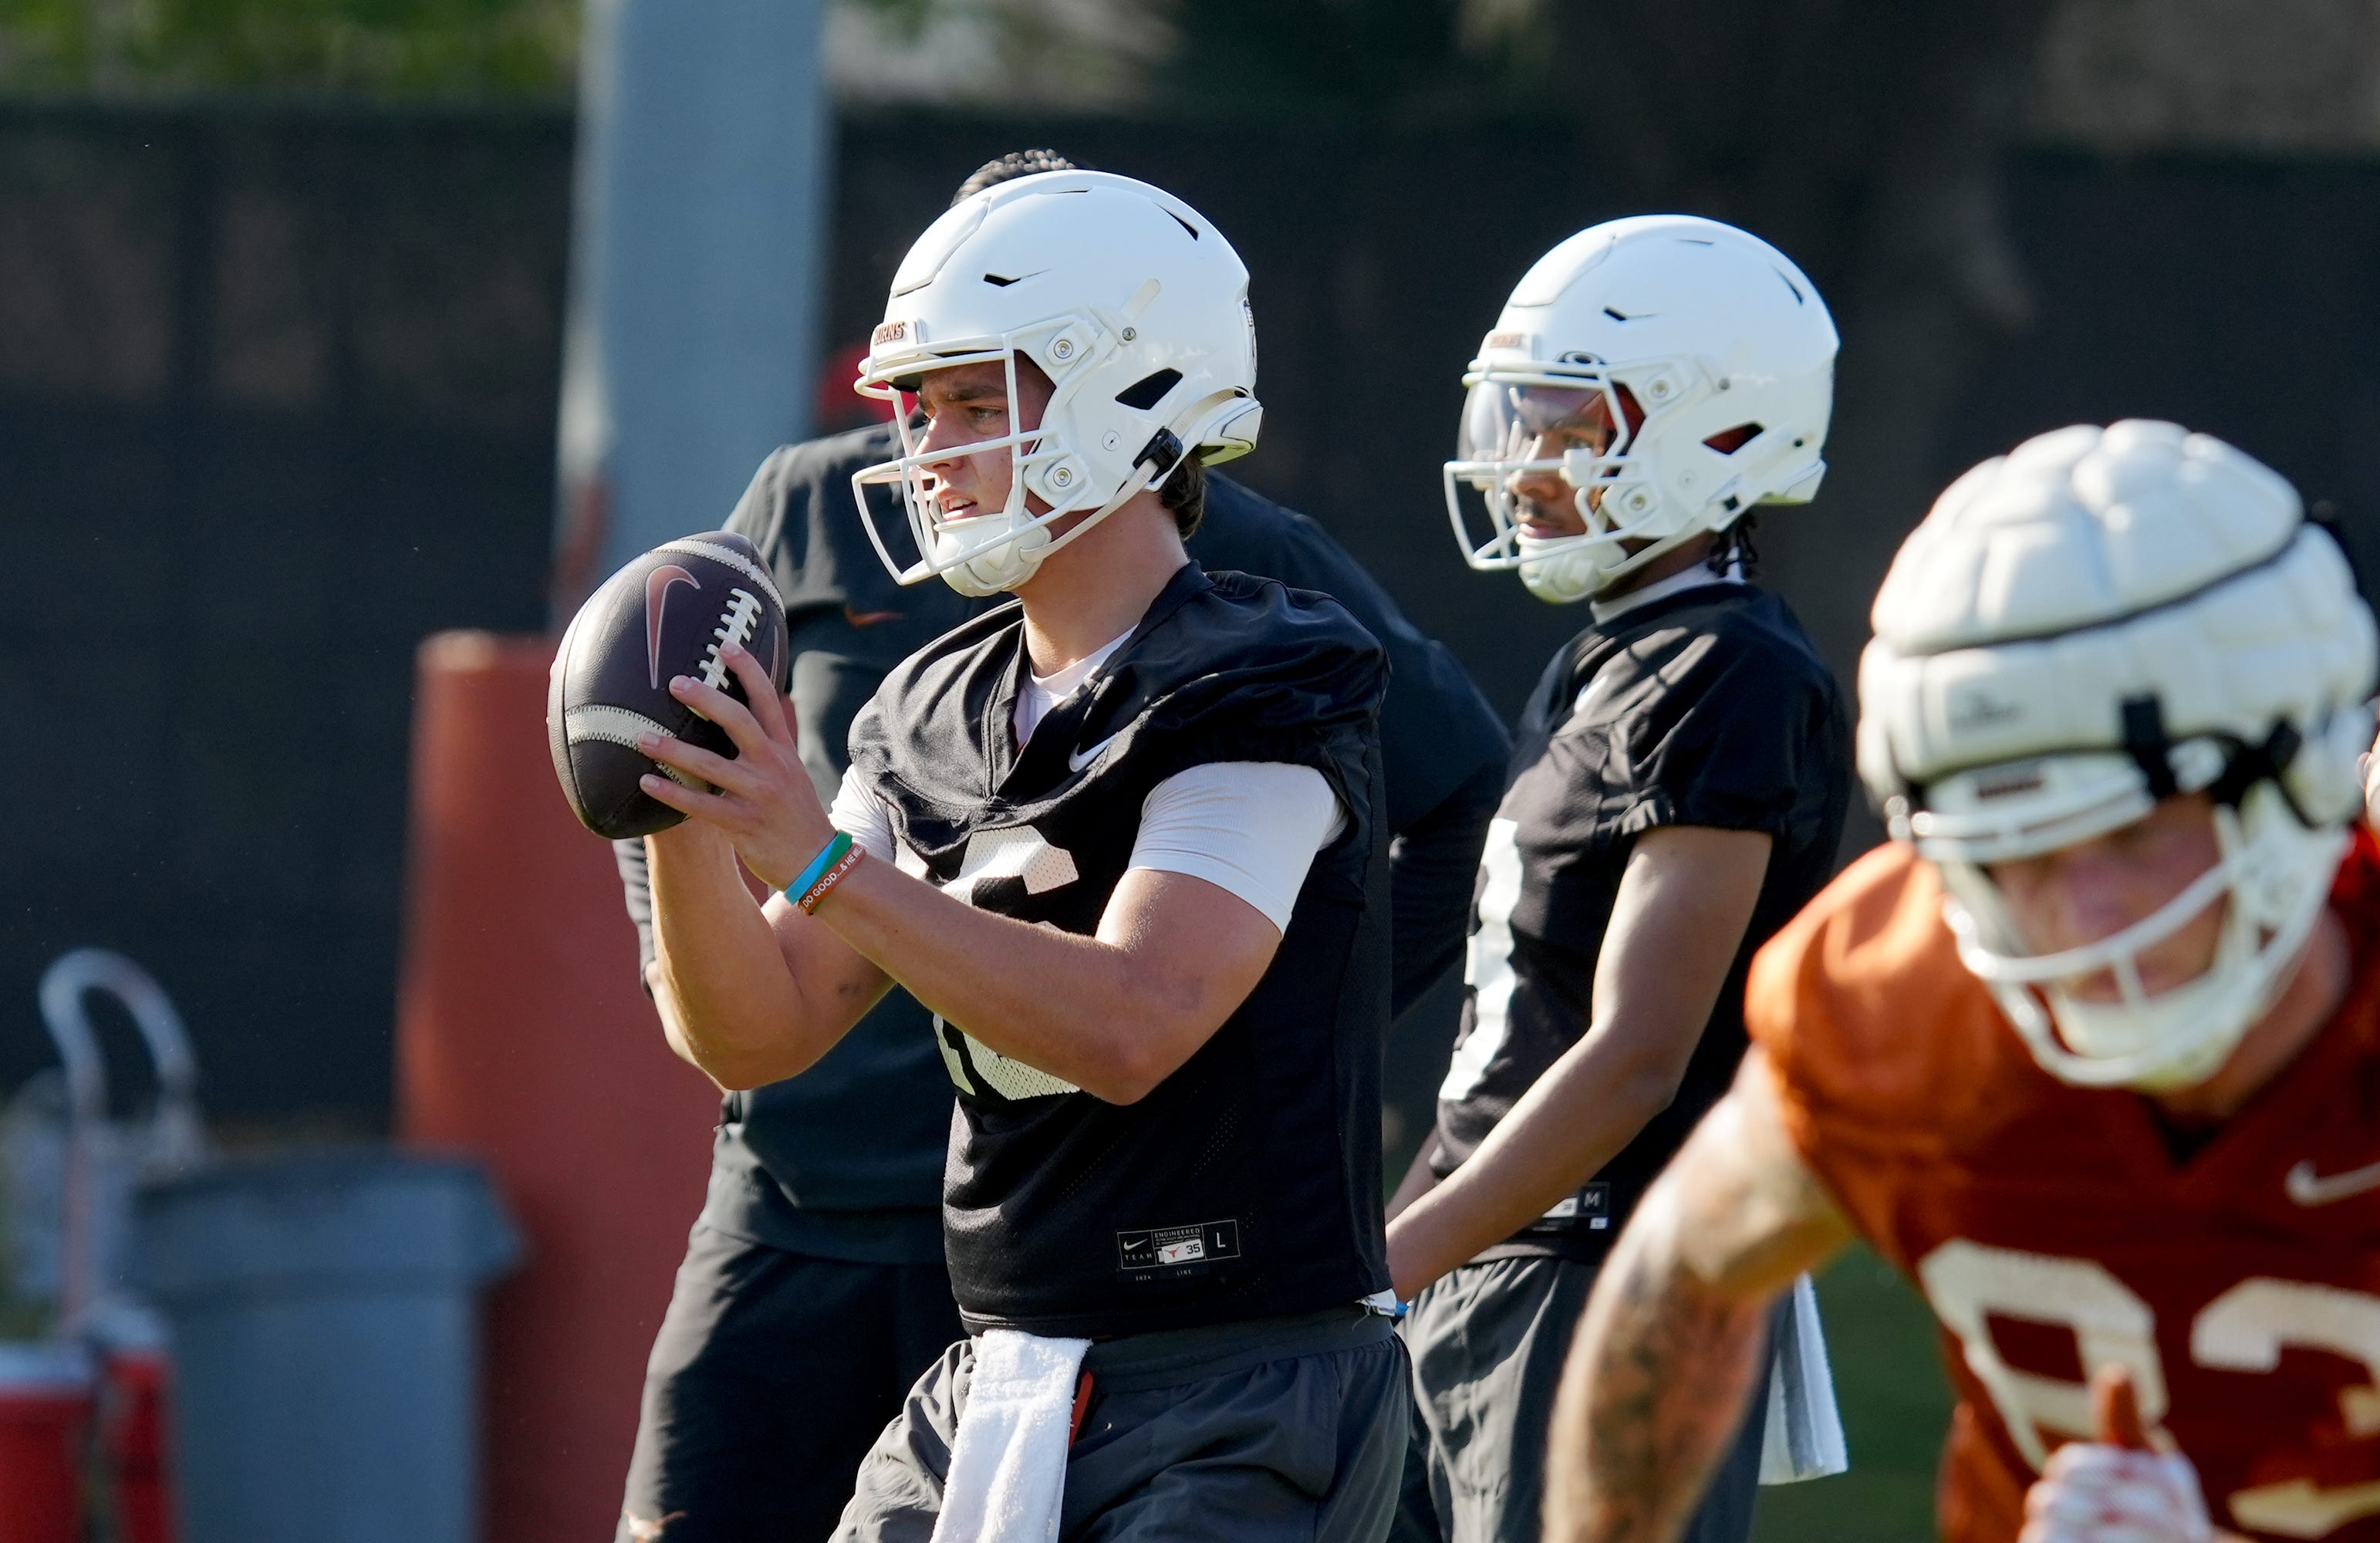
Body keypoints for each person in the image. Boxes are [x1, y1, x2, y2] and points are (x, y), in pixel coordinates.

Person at [610, 150, 1506, 1543]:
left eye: (978, 403)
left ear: (1135, 392)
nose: (931, 449)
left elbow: (1134, 1023)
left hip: (1232, 1375)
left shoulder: (1265, 672)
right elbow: (755, 1034)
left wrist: (815, 860)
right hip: (1000, 1363)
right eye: (922, 407)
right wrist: (680, 807)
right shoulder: (929, 706)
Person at [1543, 420, 2380, 1543]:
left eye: (2135, 834)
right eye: (2019, 846)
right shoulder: (1899, 995)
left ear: (2300, 775)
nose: (2084, 921)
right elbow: (1686, 1272)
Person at [1387, 214, 1853, 1543]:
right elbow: (1516, 1039)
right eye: (1520, 418)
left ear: (1718, 427)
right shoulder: (1610, 654)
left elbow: (1636, 1057)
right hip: (1494, 1255)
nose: (1521, 463)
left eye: (1568, 423)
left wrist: (1390, 1263)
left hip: (1592, 1276)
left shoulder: (1731, 672)